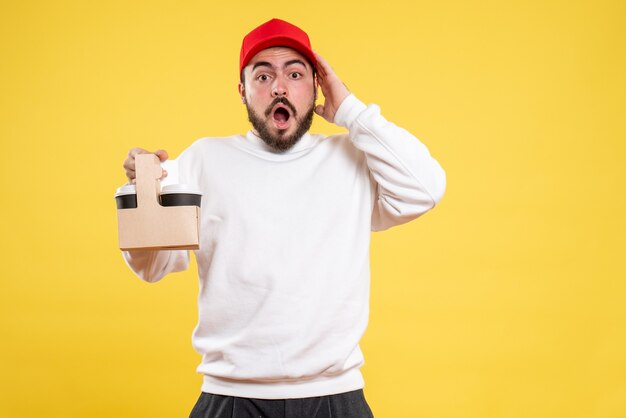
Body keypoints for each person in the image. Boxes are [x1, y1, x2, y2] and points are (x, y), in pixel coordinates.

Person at [121, 18, 446, 418]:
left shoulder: (353, 160)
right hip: (230, 400)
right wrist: (143, 190)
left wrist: (351, 112)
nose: (279, 87)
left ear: (316, 87)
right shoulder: (203, 161)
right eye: (263, 76)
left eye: (295, 73)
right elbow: (152, 265)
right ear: (242, 91)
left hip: (335, 399)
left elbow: (426, 187)